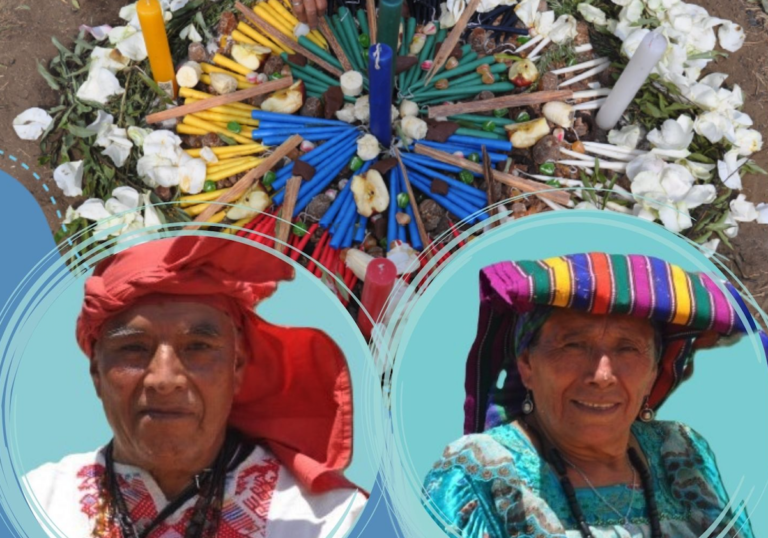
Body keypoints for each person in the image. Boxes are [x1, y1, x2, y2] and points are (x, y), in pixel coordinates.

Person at [24, 235, 366, 538]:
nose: (163, 379)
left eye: (198, 347)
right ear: (96, 370)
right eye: (133, 348)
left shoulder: (327, 521)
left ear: (237, 367)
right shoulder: (36, 504)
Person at [423, 252, 766, 538]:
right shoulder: (480, 471)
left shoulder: (679, 450)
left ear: (652, 373)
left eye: (628, 348)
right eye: (573, 345)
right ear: (527, 364)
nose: (602, 375)